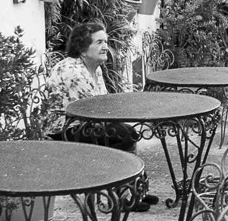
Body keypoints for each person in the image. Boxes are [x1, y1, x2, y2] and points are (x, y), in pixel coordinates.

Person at [40, 21, 158, 207]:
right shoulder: (74, 71)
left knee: (127, 133)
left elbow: (101, 107)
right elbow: (95, 111)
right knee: (124, 134)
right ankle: (125, 195)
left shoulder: (94, 69)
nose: (105, 47)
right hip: (63, 130)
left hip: (83, 124)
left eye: (106, 42)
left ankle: (135, 190)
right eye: (99, 42)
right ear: (82, 48)